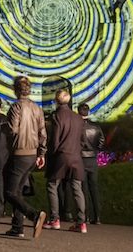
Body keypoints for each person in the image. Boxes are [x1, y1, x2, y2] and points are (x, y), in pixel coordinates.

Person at [4, 76, 47, 239]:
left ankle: (34, 215)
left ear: (15, 90)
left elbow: (12, 130)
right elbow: (43, 133)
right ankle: (17, 227)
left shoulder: (16, 107)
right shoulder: (37, 108)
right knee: (18, 191)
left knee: (9, 192)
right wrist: (41, 153)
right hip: (32, 153)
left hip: (19, 152)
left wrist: (3, 127)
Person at [43, 89, 86, 233]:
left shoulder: (56, 117)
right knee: (77, 188)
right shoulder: (78, 118)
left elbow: (54, 140)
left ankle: (55, 219)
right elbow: (83, 140)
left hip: (61, 156)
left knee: (52, 185)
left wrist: (50, 154)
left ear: (56, 100)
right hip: (76, 157)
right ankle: (81, 222)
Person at [79, 103, 105, 225]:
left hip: (82, 159)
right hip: (93, 159)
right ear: (88, 112)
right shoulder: (96, 127)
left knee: (83, 189)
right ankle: (98, 216)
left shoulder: (77, 128)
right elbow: (101, 141)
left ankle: (86, 216)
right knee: (94, 188)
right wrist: (95, 150)